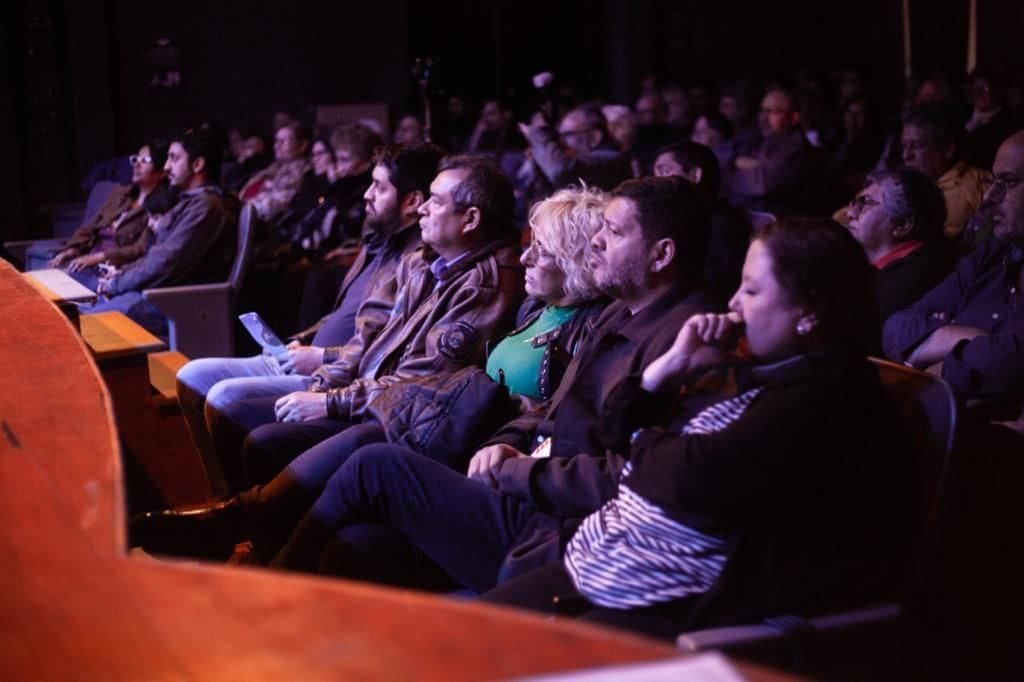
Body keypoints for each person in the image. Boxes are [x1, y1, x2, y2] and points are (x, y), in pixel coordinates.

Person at [265, 176, 718, 592]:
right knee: (357, 544)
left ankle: (262, 580)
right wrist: (504, 446)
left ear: (661, 255)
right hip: (525, 485)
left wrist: (513, 470)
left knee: (375, 463)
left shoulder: (687, 344)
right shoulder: (622, 310)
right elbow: (551, 414)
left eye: (615, 233)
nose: (598, 240)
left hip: (560, 527)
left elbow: (627, 475)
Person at [481, 219, 913, 641]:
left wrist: (645, 444)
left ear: (808, 311)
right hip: (621, 560)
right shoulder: (755, 372)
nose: (734, 304)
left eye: (752, 289)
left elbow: (674, 476)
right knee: (462, 632)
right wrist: (662, 377)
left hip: (694, 604)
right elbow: (611, 440)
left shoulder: (829, 399)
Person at [130, 185, 610, 560]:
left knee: (364, 450)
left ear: (575, 262)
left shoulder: (577, 323)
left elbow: (552, 416)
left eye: (541, 251)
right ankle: (246, 533)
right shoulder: (532, 304)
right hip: (445, 418)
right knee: (343, 447)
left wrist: (338, 390)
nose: (525, 256)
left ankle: (244, 537)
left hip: (477, 446)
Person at [206, 155, 526, 491]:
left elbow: (421, 383)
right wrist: (326, 386)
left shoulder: (484, 286)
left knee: (260, 437)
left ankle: (247, 529)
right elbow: (369, 339)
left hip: (397, 419)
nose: (423, 209)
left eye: (436, 201)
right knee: (233, 414)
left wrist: (333, 401)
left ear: (471, 219)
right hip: (368, 399)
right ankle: (240, 521)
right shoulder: (429, 262)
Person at [175, 143, 444, 497]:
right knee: (190, 375)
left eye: (378, 187)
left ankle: (235, 502)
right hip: (304, 357)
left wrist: (322, 357)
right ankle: (216, 489)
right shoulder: (376, 241)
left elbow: (384, 347)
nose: (366, 194)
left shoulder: (418, 261)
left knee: (224, 398)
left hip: (336, 374)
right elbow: (342, 314)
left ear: (412, 201)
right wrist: (303, 338)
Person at [883, 130, 1024, 415]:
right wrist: (980, 340)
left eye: (1009, 182)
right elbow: (896, 328)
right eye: (994, 181)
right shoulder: (992, 254)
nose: (989, 196)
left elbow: (1014, 359)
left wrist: (941, 364)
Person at [81, 126, 236, 337]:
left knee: (83, 328)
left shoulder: (207, 207)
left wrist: (116, 284)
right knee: (81, 305)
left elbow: (165, 261)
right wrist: (121, 277)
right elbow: (153, 256)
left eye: (173, 159)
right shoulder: (189, 203)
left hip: (172, 301)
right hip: (157, 292)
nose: (166, 166)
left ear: (198, 164)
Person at [33, 140, 170, 289]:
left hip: (113, 267)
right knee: (39, 283)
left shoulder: (161, 205)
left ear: (162, 172)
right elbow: (91, 226)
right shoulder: (121, 194)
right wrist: (73, 249)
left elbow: (140, 249)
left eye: (145, 160)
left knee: (52, 288)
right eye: (135, 159)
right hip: (88, 261)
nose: (136, 164)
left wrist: (99, 258)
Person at [846, 167, 954, 324]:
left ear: (902, 224)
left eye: (865, 203)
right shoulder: (870, 268)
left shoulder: (907, 282)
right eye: (855, 203)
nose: (850, 213)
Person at [653, 141, 752, 302]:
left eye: (664, 171)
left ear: (695, 175)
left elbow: (720, 292)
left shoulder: (719, 225)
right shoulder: (684, 221)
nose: (654, 181)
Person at [724, 88, 816, 216]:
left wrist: (725, 172)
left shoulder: (795, 146)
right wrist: (735, 161)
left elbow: (762, 183)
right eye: (762, 110)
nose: (763, 117)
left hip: (781, 224)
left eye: (773, 112)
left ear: (794, 118)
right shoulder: (757, 136)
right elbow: (720, 152)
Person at [240, 121, 312, 223]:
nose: (277, 146)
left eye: (283, 141)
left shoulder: (303, 172)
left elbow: (281, 203)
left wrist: (244, 207)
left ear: (302, 145)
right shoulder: (271, 170)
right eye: (276, 141)